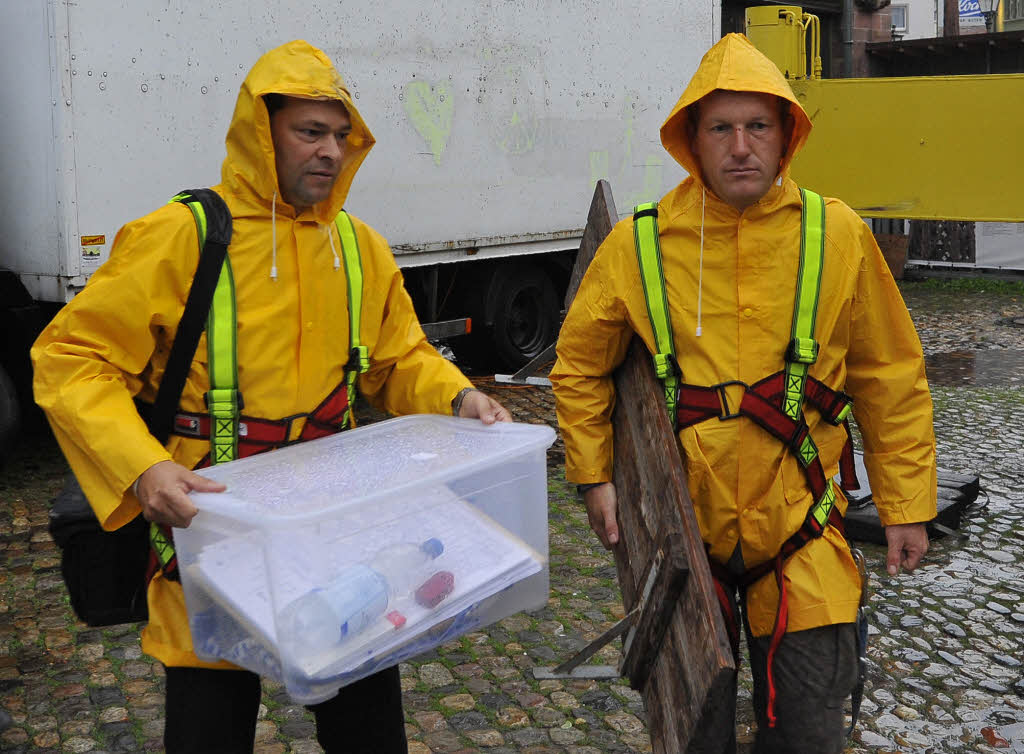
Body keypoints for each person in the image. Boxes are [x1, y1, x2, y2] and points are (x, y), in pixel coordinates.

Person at [32, 40, 510, 754]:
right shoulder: (182, 238)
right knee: (210, 730)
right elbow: (73, 358)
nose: (329, 151)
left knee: (368, 732)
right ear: (264, 134)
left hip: (338, 542)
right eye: (308, 132)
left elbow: (399, 357)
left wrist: (457, 397)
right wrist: (141, 465)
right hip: (213, 540)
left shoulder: (359, 248)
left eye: (341, 136)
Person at [550, 33, 936, 753]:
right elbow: (578, 365)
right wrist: (593, 474)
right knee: (695, 735)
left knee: (809, 737)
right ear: (690, 140)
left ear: (786, 132)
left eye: (757, 125)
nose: (740, 147)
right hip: (681, 543)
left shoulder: (838, 234)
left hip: (802, 538)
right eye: (720, 128)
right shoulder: (641, 244)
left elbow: (891, 377)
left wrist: (907, 505)